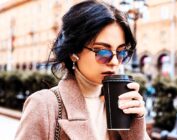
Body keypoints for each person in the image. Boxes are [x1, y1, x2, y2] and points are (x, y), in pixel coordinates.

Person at [15, 0, 150, 140]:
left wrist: (135, 128)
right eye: (103, 52)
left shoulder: (119, 104)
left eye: (121, 52)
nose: (115, 62)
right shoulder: (44, 106)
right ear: (74, 52)